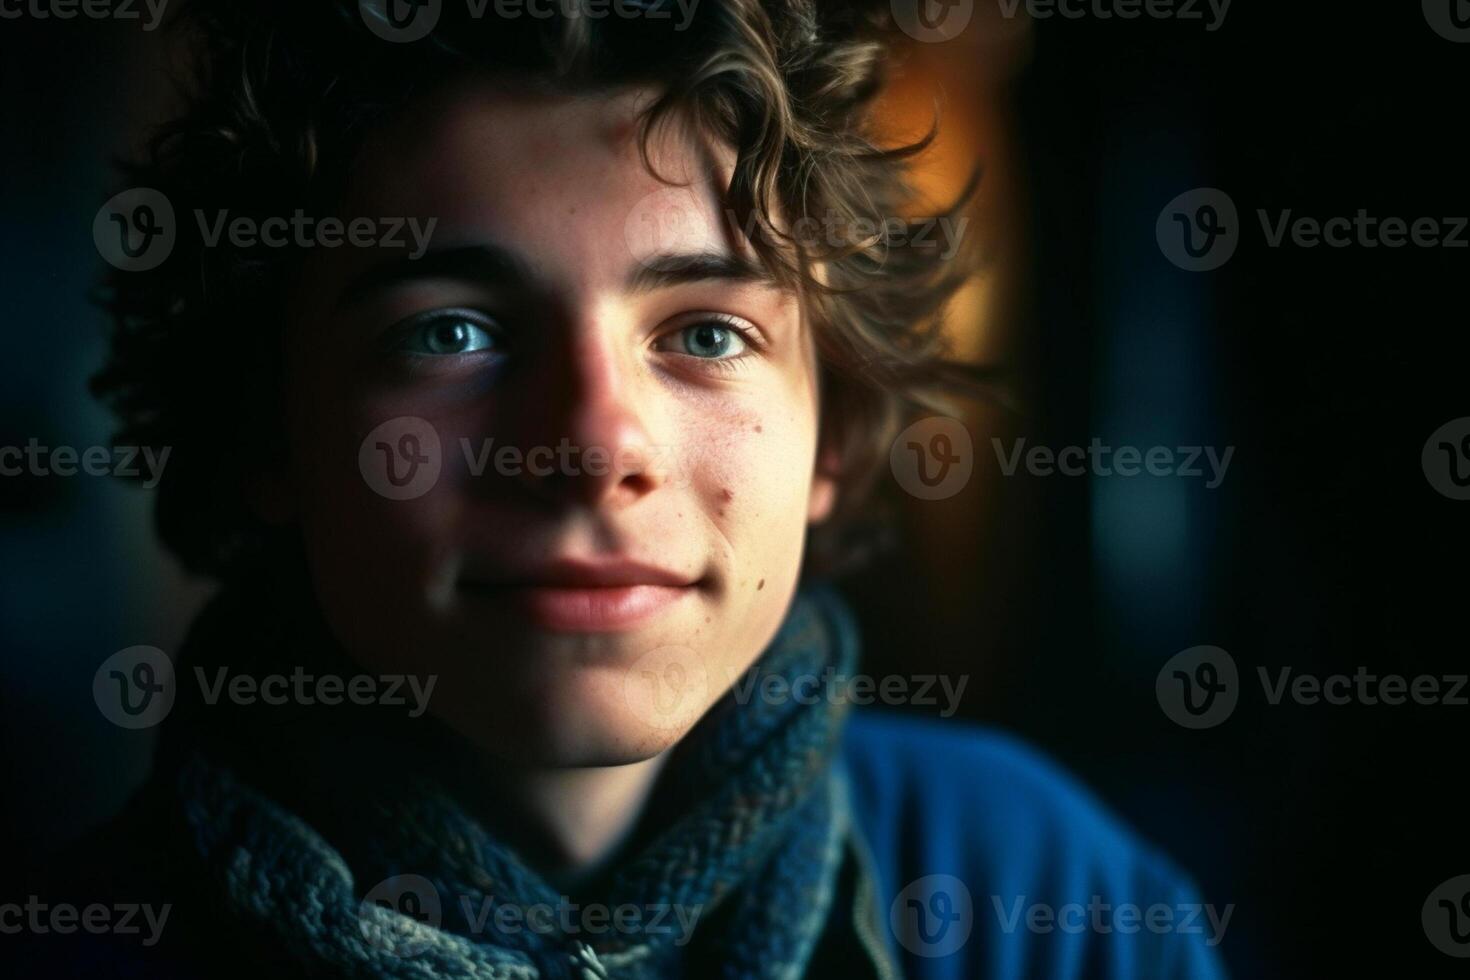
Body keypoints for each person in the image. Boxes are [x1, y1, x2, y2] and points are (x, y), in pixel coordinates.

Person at [17, 2, 1227, 976]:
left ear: (837, 442)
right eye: (450, 334)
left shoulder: (1043, 899)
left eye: (704, 334)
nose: (594, 446)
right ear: (269, 432)